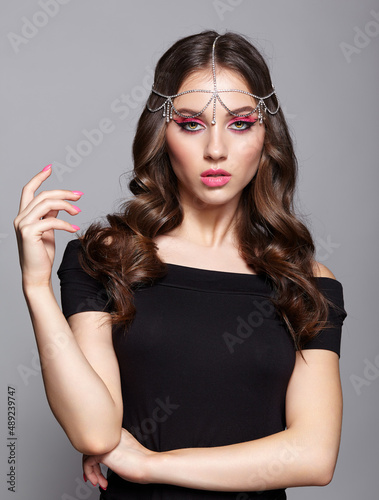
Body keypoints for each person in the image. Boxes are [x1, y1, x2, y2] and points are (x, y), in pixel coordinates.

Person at [14, 30, 347, 499]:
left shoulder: (307, 284)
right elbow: (94, 432)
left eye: (240, 123)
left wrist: (152, 466)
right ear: (162, 133)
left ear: (267, 134)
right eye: (191, 123)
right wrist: (35, 286)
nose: (215, 149)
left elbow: (313, 456)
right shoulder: (108, 257)